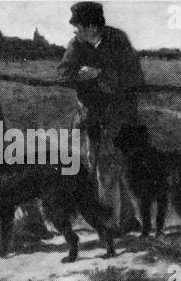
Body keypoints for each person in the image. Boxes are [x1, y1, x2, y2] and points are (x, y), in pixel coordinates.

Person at [57, 2, 144, 234]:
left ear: (92, 26)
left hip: (118, 116)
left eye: (78, 27)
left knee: (107, 168)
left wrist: (101, 74)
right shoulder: (76, 44)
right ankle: (126, 219)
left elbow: (135, 77)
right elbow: (63, 73)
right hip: (90, 116)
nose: (75, 31)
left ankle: (111, 225)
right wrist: (78, 75)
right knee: (96, 164)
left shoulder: (118, 40)